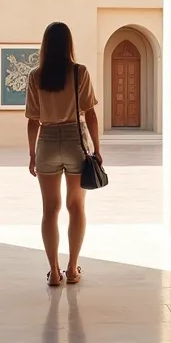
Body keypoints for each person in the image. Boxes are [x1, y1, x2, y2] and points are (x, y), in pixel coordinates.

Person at [25, 21, 102, 287]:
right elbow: (90, 114)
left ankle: (54, 272)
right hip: (75, 140)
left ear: (45, 45)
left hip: (46, 140)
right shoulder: (80, 73)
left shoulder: (36, 76)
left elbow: (33, 120)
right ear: (69, 43)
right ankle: (72, 269)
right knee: (76, 206)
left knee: (50, 209)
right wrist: (97, 150)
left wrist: (33, 154)